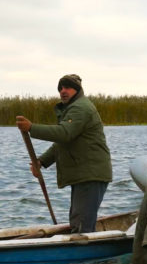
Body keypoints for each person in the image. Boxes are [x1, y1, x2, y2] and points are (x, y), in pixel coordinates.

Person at [16, 74, 112, 233]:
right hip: (84, 174)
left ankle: (85, 256)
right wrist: (41, 162)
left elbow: (64, 133)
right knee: (78, 221)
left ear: (77, 89)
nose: (63, 91)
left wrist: (32, 128)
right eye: (60, 88)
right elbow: (63, 142)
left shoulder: (81, 108)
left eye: (67, 87)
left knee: (82, 228)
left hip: (91, 174)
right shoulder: (71, 109)